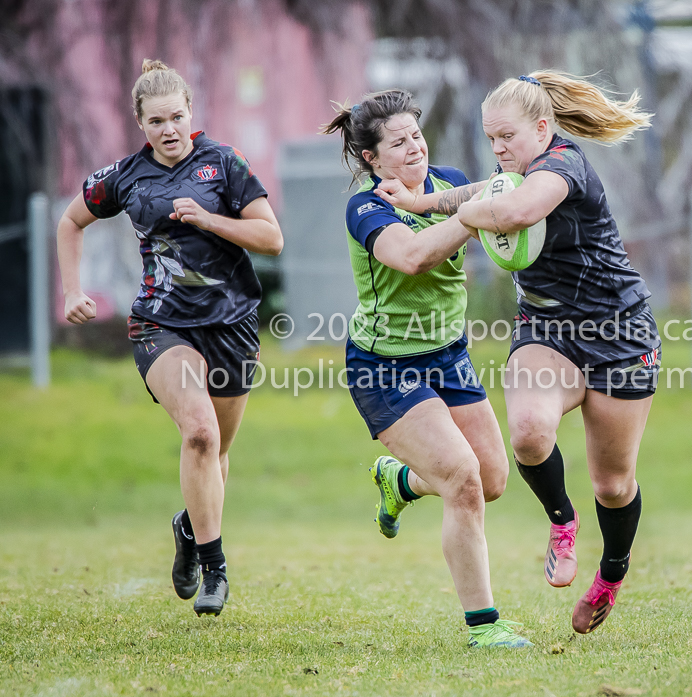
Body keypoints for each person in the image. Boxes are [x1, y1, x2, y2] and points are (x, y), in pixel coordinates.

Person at [377, 72, 661, 635]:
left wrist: (457, 213)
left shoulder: (562, 167)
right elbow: (484, 194)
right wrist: (420, 200)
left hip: (620, 334)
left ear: (542, 127)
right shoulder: (513, 171)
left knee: (614, 483)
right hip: (548, 330)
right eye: (491, 139)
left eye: (507, 137)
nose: (499, 149)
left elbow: (511, 212)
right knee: (529, 433)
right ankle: (562, 522)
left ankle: (610, 576)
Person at [57, 59, 283, 617]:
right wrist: (70, 292)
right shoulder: (125, 176)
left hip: (231, 325)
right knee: (201, 435)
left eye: (177, 116)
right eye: (156, 121)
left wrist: (210, 221)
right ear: (141, 123)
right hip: (161, 323)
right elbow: (69, 222)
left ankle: (189, 525)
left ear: (191, 112)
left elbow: (271, 238)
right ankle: (215, 569)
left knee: (219, 453)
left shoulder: (225, 164)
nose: (169, 129)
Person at [322, 89, 531, 649]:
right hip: (384, 367)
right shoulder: (366, 206)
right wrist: (476, 215)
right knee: (462, 480)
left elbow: (503, 193)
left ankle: (401, 481)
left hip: (449, 356)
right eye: (398, 142)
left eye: (416, 135)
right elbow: (413, 258)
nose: (413, 147)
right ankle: (484, 627)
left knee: (491, 479)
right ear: (372, 158)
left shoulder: (447, 182)